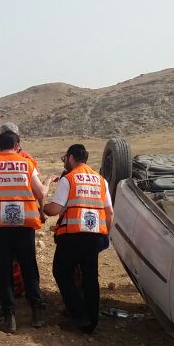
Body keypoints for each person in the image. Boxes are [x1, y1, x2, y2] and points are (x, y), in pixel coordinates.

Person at [0, 129, 50, 333]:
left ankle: (10, 318)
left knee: (4, 271)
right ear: (17, 146)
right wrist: (48, 184)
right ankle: (36, 313)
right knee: (29, 268)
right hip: (23, 226)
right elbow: (41, 193)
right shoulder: (26, 164)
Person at [44, 143, 113, 333]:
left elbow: (56, 208)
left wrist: (43, 207)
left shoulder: (70, 179)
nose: (65, 161)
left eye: (65, 158)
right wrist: (106, 234)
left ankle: (79, 314)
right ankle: (92, 322)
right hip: (94, 236)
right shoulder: (101, 180)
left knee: (61, 272)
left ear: (72, 157)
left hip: (73, 235)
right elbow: (109, 212)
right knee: (90, 278)